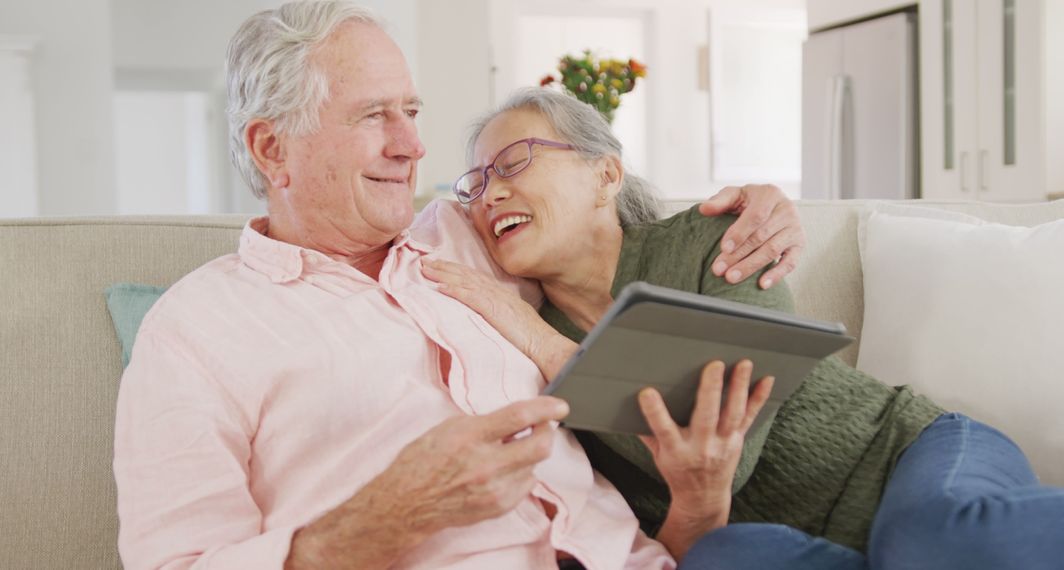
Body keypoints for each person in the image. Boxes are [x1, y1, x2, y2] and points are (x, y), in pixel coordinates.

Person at [111, 2, 808, 569]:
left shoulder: (466, 235)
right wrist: (385, 518)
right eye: (373, 115)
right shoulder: (196, 329)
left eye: (411, 112)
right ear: (272, 149)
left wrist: (758, 207)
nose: (412, 146)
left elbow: (591, 221)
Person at [422, 86, 1064, 570]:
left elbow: (731, 451)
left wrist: (543, 341)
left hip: (907, 454)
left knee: (932, 538)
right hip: (788, 543)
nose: (489, 195)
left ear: (605, 175)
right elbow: (669, 532)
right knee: (722, 558)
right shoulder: (504, 355)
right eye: (474, 185)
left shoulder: (717, 239)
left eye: (514, 163)